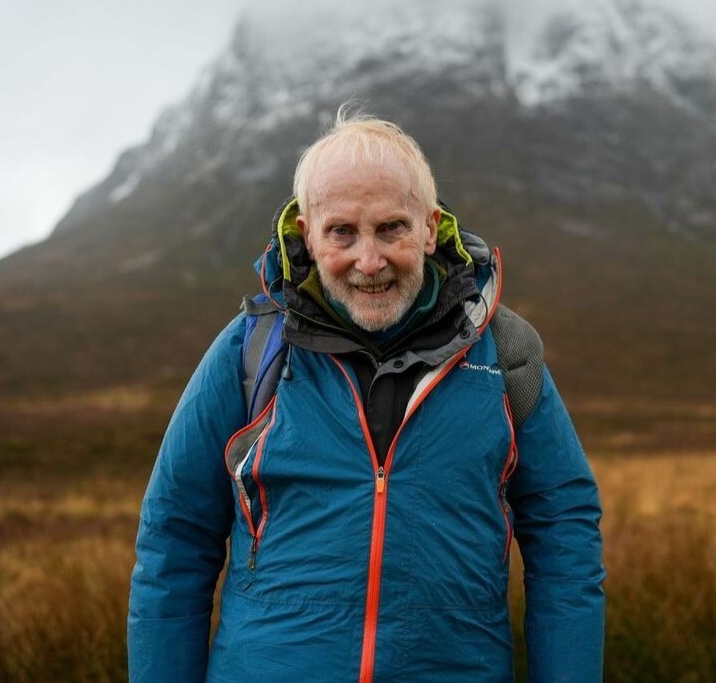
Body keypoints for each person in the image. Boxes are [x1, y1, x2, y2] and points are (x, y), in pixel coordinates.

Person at [128, 111, 605, 682]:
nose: (369, 261)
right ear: (306, 234)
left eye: (391, 229)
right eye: (342, 232)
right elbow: (174, 538)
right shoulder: (251, 351)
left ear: (430, 229)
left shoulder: (504, 352)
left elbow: (565, 534)